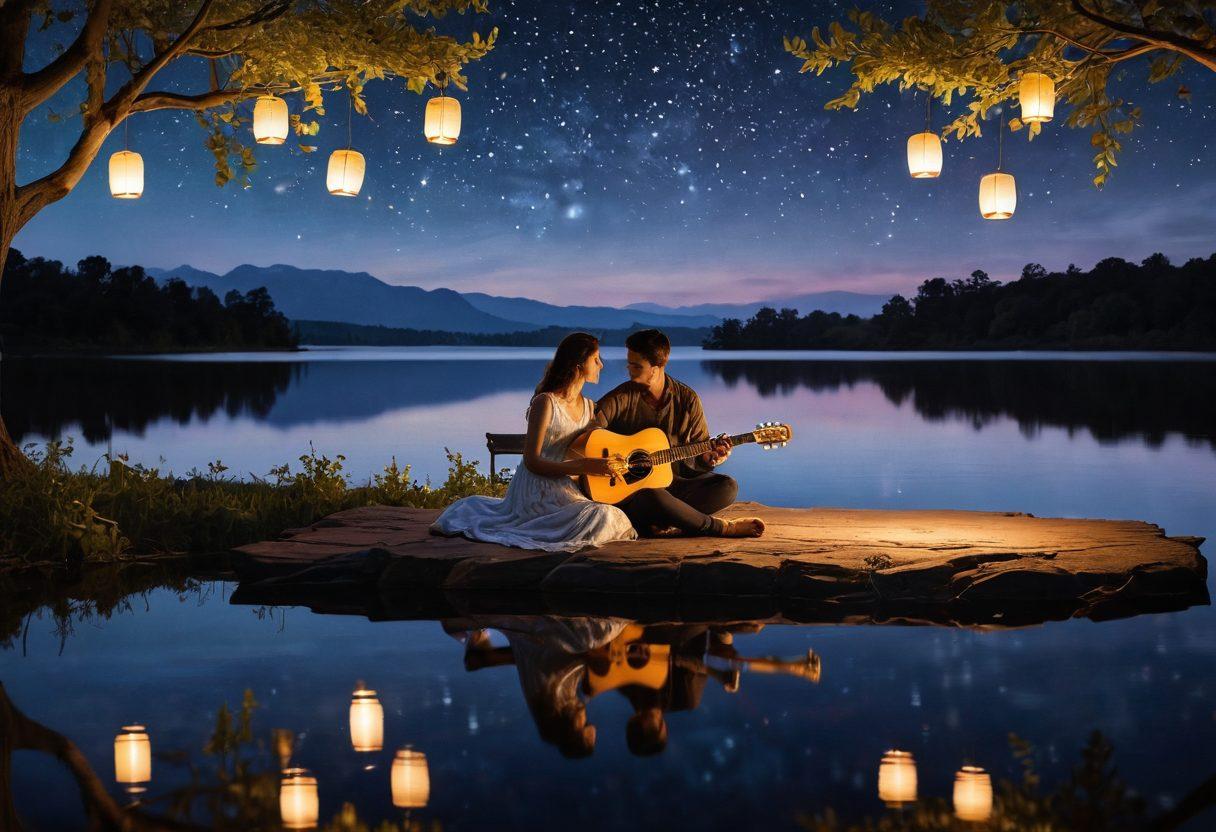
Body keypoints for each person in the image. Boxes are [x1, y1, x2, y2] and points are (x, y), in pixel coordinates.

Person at [430, 333, 637, 551]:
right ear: (578, 363)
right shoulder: (546, 403)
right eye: (596, 359)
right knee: (600, 517)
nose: (601, 365)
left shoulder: (588, 406)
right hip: (536, 486)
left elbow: (592, 445)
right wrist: (581, 466)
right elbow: (531, 461)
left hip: (565, 486)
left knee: (612, 517)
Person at [593, 329, 764, 538]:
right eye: (629, 363)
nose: (629, 369)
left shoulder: (688, 399)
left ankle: (666, 519)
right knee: (654, 497)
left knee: (727, 486)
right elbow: (588, 433)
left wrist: (709, 459)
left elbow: (700, 456)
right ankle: (720, 527)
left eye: (636, 365)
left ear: (656, 369)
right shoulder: (620, 397)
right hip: (634, 492)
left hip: (675, 485)